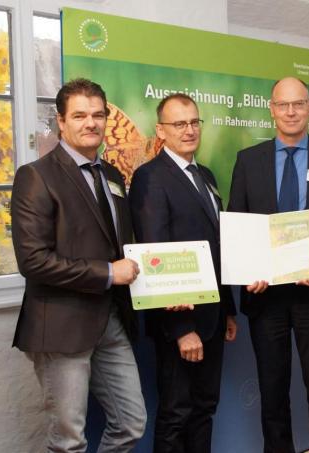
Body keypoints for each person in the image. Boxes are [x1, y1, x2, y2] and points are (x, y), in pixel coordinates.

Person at [11, 78, 146, 452]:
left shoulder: (114, 176)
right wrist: (107, 273)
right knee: (68, 441)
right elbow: (33, 260)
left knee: (131, 424)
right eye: (80, 115)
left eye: (98, 115)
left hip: (110, 321)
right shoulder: (36, 176)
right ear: (61, 121)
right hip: (61, 325)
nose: (91, 123)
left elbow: (121, 244)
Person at [227, 77, 309, 453]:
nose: (290, 112)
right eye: (283, 104)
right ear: (271, 108)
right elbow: (239, 225)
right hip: (265, 298)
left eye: (298, 104)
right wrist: (246, 267)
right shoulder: (248, 160)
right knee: (272, 392)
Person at [129, 93, 237, 453]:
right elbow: (153, 255)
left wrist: (228, 310)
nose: (189, 130)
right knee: (177, 414)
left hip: (213, 317)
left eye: (194, 122)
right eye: (179, 124)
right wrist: (181, 329)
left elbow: (216, 244)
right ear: (161, 130)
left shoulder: (204, 175)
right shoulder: (149, 177)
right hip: (181, 324)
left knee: (205, 408)